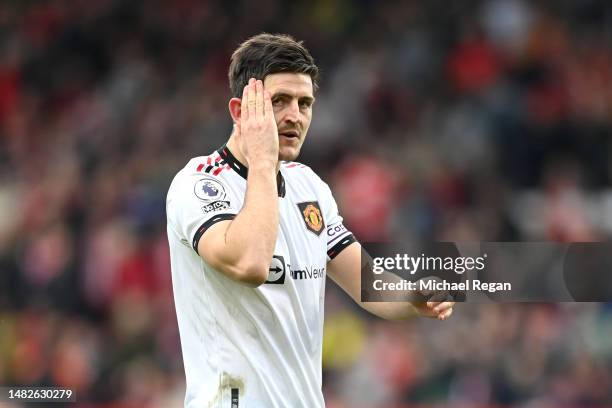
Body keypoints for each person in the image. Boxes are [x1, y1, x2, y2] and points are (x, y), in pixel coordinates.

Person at [166, 33, 455, 408]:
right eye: (279, 101)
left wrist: (415, 295)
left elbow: (366, 282)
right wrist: (264, 161)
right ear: (240, 112)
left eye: (305, 103)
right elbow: (251, 263)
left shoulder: (309, 187)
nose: (295, 116)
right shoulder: (199, 185)